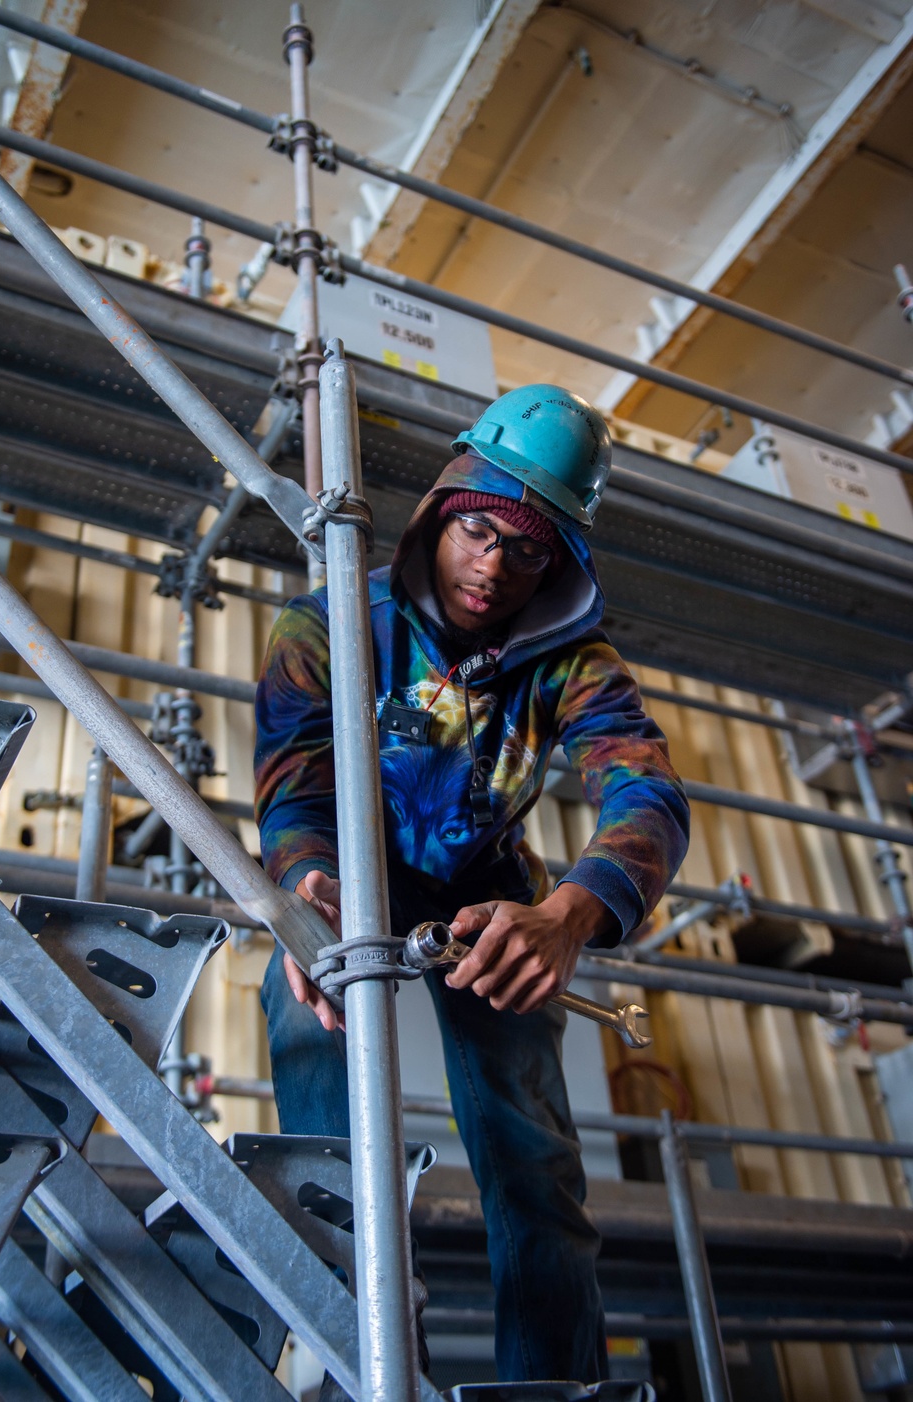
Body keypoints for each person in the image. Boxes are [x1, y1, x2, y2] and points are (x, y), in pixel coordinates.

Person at [254, 383, 690, 1385]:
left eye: (526, 548)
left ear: (560, 559)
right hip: (353, 872)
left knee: (533, 1166)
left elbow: (644, 792)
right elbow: (291, 781)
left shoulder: (575, 664)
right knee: (298, 1005)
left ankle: (549, 1379)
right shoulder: (326, 624)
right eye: (477, 533)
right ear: (440, 512)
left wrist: (565, 917)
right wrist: (303, 885)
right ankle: (345, 1352)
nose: (492, 567)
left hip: (495, 891)